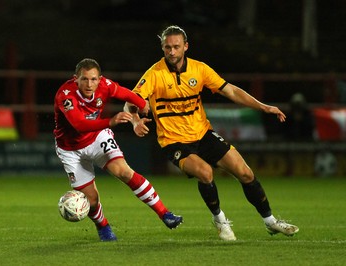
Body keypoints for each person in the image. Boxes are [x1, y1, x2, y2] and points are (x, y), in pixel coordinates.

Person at [124, 25, 299, 241]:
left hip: (204, 134)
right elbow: (129, 102)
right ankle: (220, 220)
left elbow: (232, 91)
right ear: (162, 48)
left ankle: (271, 222)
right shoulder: (154, 74)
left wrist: (264, 107)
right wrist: (134, 121)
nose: (171, 52)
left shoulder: (200, 70)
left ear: (185, 47)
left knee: (245, 173)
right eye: (167, 47)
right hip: (174, 141)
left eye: (176, 47)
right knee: (206, 173)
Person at [53, 58, 182, 242]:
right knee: (91, 200)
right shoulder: (65, 95)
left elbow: (125, 94)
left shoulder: (105, 85)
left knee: (123, 171)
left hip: (97, 137)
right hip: (71, 150)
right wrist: (111, 122)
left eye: (93, 79)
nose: (89, 84)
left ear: (100, 79)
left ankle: (165, 214)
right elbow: (79, 124)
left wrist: (142, 105)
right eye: (84, 79)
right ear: (76, 79)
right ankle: (103, 226)